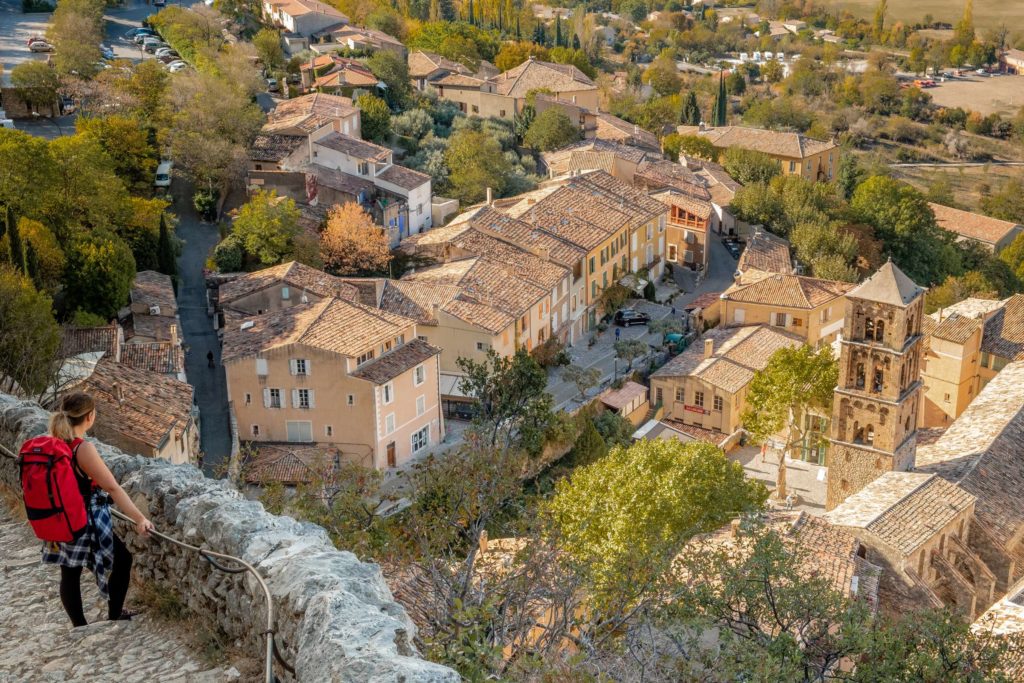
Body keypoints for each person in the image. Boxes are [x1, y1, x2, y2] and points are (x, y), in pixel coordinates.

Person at [43, 393, 154, 627]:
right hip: (85, 518)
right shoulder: (82, 448)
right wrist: (140, 518)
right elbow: (112, 487)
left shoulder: (52, 442)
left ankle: (79, 626)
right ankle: (114, 614)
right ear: (90, 416)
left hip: (59, 516)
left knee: (69, 571)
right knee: (122, 559)